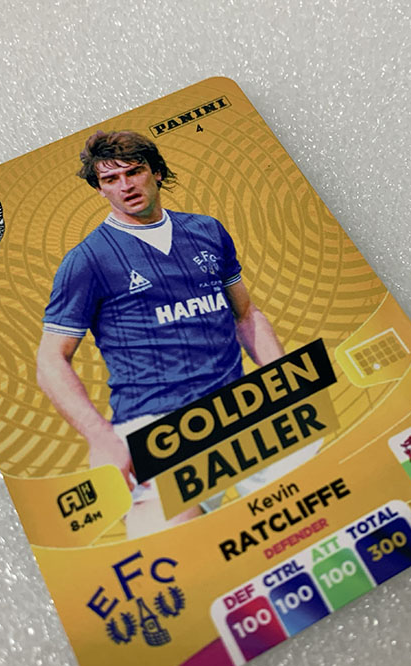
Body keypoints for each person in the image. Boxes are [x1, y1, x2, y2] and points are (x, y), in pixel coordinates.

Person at [37, 130, 286, 538]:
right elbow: (50, 359)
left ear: (156, 172)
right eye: (110, 179)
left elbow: (246, 316)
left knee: (318, 509)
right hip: (158, 425)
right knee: (171, 549)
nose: (125, 186)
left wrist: (284, 382)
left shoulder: (207, 231)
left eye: (134, 172)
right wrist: (100, 437)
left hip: (239, 407)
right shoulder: (88, 260)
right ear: (99, 189)